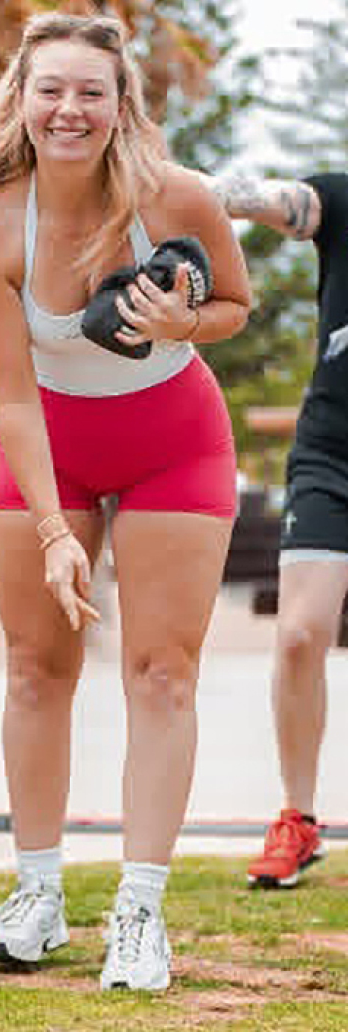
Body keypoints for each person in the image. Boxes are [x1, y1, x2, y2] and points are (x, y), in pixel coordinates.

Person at [0, 13, 251, 990]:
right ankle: (36, 896)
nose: (69, 109)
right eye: (51, 89)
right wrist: (51, 530)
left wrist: (184, 322)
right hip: (46, 448)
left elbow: (235, 306)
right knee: (37, 670)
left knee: (162, 675)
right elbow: (11, 400)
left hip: (174, 443)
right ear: (22, 101)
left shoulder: (178, 197)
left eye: (91, 91)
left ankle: (140, 911)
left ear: (122, 106)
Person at [210, 170, 347, 889]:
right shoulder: (343, 199)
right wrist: (207, 192)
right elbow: (279, 203)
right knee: (298, 637)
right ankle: (298, 818)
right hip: (332, 454)